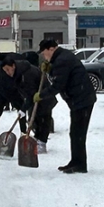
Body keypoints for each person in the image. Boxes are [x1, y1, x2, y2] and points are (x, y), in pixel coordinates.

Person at [36, 39, 96, 173]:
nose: (44, 57)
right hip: (78, 99)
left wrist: (41, 95)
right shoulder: (61, 57)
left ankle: (80, 165)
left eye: (45, 53)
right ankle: (75, 161)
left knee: (78, 133)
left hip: (82, 99)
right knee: (75, 133)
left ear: (51, 49)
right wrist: (50, 68)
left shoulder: (62, 60)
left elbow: (58, 85)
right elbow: (60, 77)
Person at [1, 53, 55, 154]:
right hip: (34, 98)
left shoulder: (27, 74)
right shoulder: (18, 73)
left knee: (43, 120)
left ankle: (42, 143)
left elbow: (31, 93)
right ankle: (37, 139)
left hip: (45, 97)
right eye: (5, 71)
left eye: (8, 69)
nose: (7, 72)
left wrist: (23, 109)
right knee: (34, 120)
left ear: (13, 66)